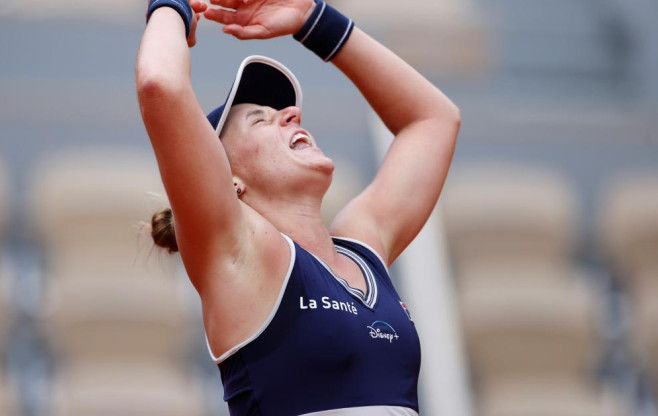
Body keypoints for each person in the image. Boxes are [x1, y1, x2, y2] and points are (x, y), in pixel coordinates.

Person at [136, 0, 460, 414]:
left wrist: (312, 18)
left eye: (284, 110)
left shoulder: (362, 247)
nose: (291, 113)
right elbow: (159, 85)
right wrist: (172, 6)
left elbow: (434, 119)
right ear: (230, 180)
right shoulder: (239, 251)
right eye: (259, 119)